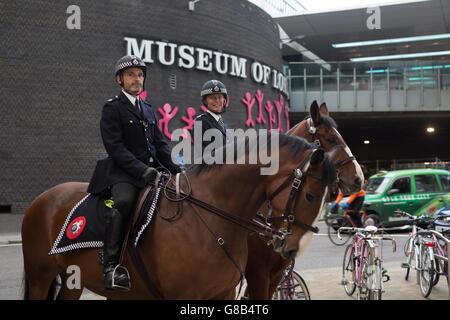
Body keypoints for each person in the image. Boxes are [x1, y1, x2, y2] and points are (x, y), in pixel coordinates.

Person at [87, 55, 181, 291]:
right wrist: (142, 170)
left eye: (140, 75)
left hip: (152, 172)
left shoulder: (148, 109)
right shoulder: (113, 107)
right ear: (120, 79)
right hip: (124, 174)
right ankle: (110, 268)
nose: (136, 79)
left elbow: (160, 145)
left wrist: (177, 170)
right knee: (121, 203)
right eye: (131, 74)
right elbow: (115, 147)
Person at [194, 80, 230, 156]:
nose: (217, 101)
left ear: (224, 100)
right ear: (205, 101)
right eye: (212, 98)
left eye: (220, 97)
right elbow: (204, 155)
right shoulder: (200, 122)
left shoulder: (224, 124)